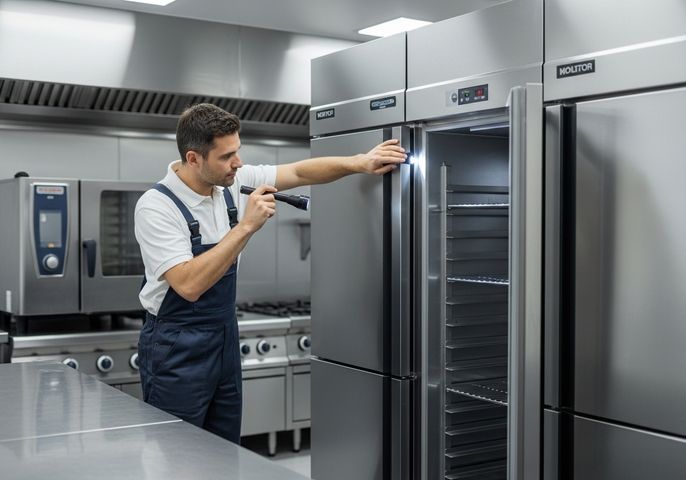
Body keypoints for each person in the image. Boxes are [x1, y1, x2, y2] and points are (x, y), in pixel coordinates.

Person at [134, 103, 406, 444]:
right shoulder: (157, 206)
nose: (238, 163)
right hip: (176, 346)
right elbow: (188, 285)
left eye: (238, 151)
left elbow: (301, 172)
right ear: (193, 158)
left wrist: (359, 163)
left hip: (223, 336)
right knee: (176, 451)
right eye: (226, 156)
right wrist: (246, 226)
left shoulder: (231, 182)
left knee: (223, 446)